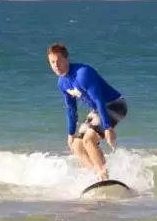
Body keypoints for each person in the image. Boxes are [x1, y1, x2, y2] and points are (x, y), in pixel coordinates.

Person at [47, 43, 127, 181]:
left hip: (115, 105)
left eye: (58, 61)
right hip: (98, 109)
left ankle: (104, 176)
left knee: (89, 140)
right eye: (52, 62)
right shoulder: (62, 83)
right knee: (77, 146)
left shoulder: (83, 73)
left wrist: (107, 127)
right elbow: (71, 108)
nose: (56, 65)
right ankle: (98, 175)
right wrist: (70, 133)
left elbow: (99, 99)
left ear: (66, 59)